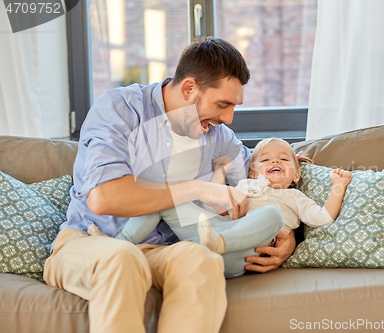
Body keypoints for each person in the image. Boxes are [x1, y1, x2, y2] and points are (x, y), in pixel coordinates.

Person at [42, 38, 295, 333]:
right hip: (93, 242)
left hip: (163, 251)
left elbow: (267, 174)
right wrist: (197, 188)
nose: (227, 118)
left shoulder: (218, 136)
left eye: (234, 107)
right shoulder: (121, 109)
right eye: (222, 104)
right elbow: (104, 197)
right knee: (122, 259)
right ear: (189, 88)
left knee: (202, 260)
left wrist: (289, 237)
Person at [89, 137, 351, 278]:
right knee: (168, 199)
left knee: (269, 214)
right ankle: (116, 244)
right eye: (266, 159)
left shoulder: (294, 198)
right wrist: (221, 171)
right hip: (213, 232)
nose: (275, 161)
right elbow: (213, 203)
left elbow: (324, 217)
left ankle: (219, 244)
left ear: (295, 175)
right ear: (251, 170)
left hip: (245, 253)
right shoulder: (246, 186)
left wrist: (338, 185)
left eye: (283, 159)